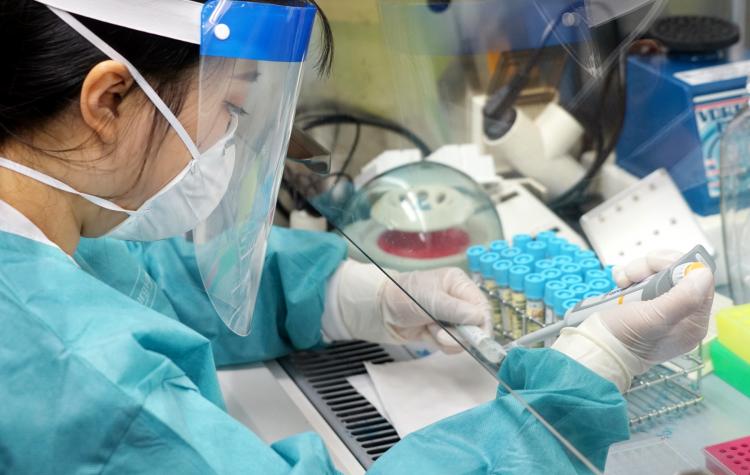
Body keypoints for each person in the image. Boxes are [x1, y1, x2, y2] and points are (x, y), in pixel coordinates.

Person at [0, 1, 714, 474]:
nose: (229, 140)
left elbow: (140, 280)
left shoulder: (40, 235)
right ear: (109, 99)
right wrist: (590, 370)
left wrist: (347, 294)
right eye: (233, 108)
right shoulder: (82, 377)